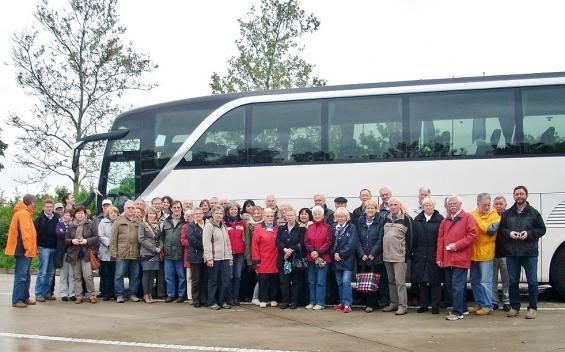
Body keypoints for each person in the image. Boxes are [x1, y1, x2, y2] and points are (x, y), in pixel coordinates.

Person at [498, 186, 546, 319]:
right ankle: (515, 307)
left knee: (532, 282)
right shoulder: (507, 214)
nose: (519, 196)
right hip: (512, 253)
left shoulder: (534, 213)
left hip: (529, 253)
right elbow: (502, 230)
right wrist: (509, 233)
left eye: (521, 194)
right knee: (513, 281)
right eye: (517, 194)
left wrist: (529, 234)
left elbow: (542, 229)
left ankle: (532, 308)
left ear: (526, 195)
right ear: (513, 196)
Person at [437, 195, 478, 321]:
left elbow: (473, 235)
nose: (453, 205)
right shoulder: (445, 220)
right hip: (448, 260)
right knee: (451, 286)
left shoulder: (468, 218)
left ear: (460, 204)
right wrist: (439, 257)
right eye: (450, 204)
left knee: (457, 286)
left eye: (455, 203)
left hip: (460, 259)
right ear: (447, 206)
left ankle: (457, 312)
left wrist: (456, 246)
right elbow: (441, 240)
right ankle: (463, 308)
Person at [411, 197, 444, 314]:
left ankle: (435, 306)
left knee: (435, 281)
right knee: (422, 281)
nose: (428, 207)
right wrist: (413, 251)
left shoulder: (440, 220)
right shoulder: (417, 219)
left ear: (434, 206)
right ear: (423, 207)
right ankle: (423, 304)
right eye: (426, 205)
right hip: (420, 254)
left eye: (430, 205)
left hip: (434, 253)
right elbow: (413, 238)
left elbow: (442, 238)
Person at [5, 194, 38, 308]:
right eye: (34, 202)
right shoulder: (23, 213)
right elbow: (26, 233)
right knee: (21, 276)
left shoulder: (25, 213)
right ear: (31, 202)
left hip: (25, 250)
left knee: (26, 275)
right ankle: (17, 300)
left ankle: (25, 297)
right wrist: (28, 249)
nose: (35, 204)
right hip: (22, 250)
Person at [469, 193, 500, 316]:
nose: (487, 207)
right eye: (484, 205)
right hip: (473, 254)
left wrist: (478, 221)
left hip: (486, 254)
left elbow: (490, 230)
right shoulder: (471, 214)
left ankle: (488, 306)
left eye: (488, 205)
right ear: (478, 204)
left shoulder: (495, 216)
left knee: (485, 281)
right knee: (475, 281)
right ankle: (479, 303)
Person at [381, 197, 413, 315]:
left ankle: (403, 306)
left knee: (400, 282)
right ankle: (393, 303)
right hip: (387, 256)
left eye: (395, 204)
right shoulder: (385, 218)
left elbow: (411, 239)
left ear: (399, 205)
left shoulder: (406, 219)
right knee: (391, 281)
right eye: (391, 205)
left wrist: (407, 254)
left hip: (400, 256)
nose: (393, 207)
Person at [356, 200, 388, 312]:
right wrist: (362, 254)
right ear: (365, 209)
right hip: (363, 257)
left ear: (376, 209)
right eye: (368, 208)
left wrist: (373, 254)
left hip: (376, 257)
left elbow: (381, 239)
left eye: (372, 208)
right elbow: (357, 240)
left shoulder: (381, 220)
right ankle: (368, 304)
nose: (370, 210)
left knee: (376, 280)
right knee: (365, 281)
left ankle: (374, 303)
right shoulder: (360, 220)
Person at [65, 206, 99, 304]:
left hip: (86, 253)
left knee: (88, 276)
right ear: (75, 215)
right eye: (78, 213)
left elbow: (96, 238)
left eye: (82, 213)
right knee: (77, 276)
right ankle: (78, 296)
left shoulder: (90, 224)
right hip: (74, 254)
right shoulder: (71, 225)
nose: (80, 215)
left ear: (85, 214)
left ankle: (92, 295)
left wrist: (86, 241)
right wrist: (72, 241)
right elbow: (65, 240)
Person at [110, 200, 141, 303]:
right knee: (119, 275)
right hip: (121, 253)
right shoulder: (118, 220)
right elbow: (113, 238)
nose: (131, 209)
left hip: (135, 253)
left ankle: (132, 294)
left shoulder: (138, 221)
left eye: (132, 208)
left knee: (135, 275)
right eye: (128, 208)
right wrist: (113, 251)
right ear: (124, 208)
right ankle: (119, 295)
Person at [203, 205, 233, 310]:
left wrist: (230, 257)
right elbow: (206, 243)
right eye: (216, 213)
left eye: (221, 213)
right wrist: (209, 258)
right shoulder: (209, 226)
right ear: (212, 214)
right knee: (213, 281)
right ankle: (212, 302)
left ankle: (222, 301)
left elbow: (228, 242)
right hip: (214, 259)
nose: (219, 215)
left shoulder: (223, 226)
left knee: (225, 281)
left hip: (225, 258)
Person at [276, 208, 306, 309]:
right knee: (284, 282)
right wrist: (284, 249)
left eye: (291, 215)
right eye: (287, 215)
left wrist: (290, 250)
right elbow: (278, 242)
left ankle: (294, 302)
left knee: (296, 281)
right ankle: (285, 301)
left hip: (295, 258)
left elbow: (301, 243)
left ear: (295, 216)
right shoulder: (281, 228)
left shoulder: (301, 228)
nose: (289, 217)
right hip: (283, 258)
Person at [304, 205, 332, 310]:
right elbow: (306, 241)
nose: (316, 215)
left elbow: (328, 242)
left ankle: (320, 302)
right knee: (311, 281)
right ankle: (312, 301)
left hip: (323, 258)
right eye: (315, 214)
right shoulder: (309, 227)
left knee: (321, 281)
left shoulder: (327, 227)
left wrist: (318, 252)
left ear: (323, 215)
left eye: (319, 214)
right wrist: (312, 251)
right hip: (311, 258)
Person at [331, 207, 358, 313]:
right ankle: (342, 302)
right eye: (338, 216)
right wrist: (334, 254)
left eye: (342, 216)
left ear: (346, 217)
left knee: (346, 281)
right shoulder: (333, 227)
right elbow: (330, 242)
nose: (340, 218)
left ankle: (348, 304)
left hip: (347, 259)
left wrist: (341, 254)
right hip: (336, 259)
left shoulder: (352, 227)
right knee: (339, 282)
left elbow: (352, 244)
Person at [252, 207, 279, 307]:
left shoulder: (278, 228)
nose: (270, 217)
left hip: (275, 258)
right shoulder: (258, 228)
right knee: (263, 280)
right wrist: (256, 260)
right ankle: (263, 299)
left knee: (274, 281)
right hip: (263, 259)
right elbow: (254, 245)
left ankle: (273, 299)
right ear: (263, 216)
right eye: (267, 216)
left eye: (272, 216)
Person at [34, 199, 59, 302]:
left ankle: (47, 293)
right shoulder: (39, 219)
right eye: (47, 206)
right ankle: (39, 293)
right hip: (43, 248)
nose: (49, 208)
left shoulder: (57, 218)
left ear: (53, 208)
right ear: (43, 207)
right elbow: (35, 234)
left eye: (50, 207)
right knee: (42, 272)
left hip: (54, 248)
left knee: (50, 272)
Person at [162, 200, 187, 303]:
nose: (176, 209)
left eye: (178, 207)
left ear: (181, 208)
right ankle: (171, 295)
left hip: (180, 253)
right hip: (168, 253)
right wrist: (162, 247)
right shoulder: (166, 221)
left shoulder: (185, 221)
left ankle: (181, 295)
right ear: (171, 209)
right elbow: (162, 237)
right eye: (174, 207)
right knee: (169, 276)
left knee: (181, 276)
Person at [138, 207, 163, 304]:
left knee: (152, 275)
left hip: (156, 253)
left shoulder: (158, 225)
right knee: (147, 274)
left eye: (154, 214)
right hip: (146, 252)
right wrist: (154, 248)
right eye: (150, 213)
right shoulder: (142, 224)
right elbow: (141, 239)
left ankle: (150, 294)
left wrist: (160, 247)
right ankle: (145, 295)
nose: (152, 215)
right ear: (147, 215)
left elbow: (160, 238)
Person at [492, 195, 511, 311]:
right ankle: (494, 302)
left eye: (501, 204)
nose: (498, 206)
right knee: (492, 280)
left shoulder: (509, 217)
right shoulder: (491, 217)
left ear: (505, 205)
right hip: (492, 254)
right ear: (493, 206)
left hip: (506, 254)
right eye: (496, 204)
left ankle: (506, 301)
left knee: (506, 280)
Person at [225, 202, 246, 305]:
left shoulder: (242, 223)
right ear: (228, 211)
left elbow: (246, 238)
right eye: (231, 209)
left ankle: (235, 298)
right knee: (229, 276)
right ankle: (229, 298)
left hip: (239, 254)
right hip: (228, 254)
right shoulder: (224, 223)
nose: (234, 211)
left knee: (237, 276)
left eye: (235, 209)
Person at [187, 207, 208, 307]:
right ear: (193, 216)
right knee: (196, 280)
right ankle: (196, 299)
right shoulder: (191, 226)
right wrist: (205, 245)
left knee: (205, 279)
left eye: (200, 213)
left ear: (203, 214)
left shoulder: (207, 225)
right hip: (195, 256)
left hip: (206, 256)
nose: (198, 215)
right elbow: (192, 240)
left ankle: (204, 299)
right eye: (196, 214)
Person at [98, 205, 119, 301]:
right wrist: (110, 243)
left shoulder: (119, 222)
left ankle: (113, 292)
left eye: (115, 212)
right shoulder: (103, 222)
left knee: (115, 273)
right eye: (111, 212)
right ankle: (106, 293)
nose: (113, 214)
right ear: (108, 214)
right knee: (106, 273)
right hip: (105, 252)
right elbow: (100, 236)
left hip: (117, 252)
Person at [243, 206, 263, 304]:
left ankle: (262, 297)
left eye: (258, 213)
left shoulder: (266, 224)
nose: (256, 215)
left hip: (266, 256)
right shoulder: (249, 225)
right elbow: (247, 243)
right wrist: (249, 259)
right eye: (254, 213)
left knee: (264, 278)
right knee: (260, 278)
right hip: (255, 256)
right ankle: (255, 297)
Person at [55, 209, 74, 301]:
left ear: (72, 217)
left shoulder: (74, 225)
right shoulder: (60, 224)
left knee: (72, 274)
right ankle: (63, 293)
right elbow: (58, 233)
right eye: (64, 215)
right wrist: (69, 234)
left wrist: (65, 233)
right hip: (63, 253)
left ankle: (72, 293)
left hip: (72, 253)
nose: (65, 216)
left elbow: (75, 236)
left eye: (68, 215)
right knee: (63, 274)